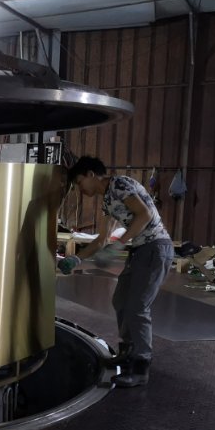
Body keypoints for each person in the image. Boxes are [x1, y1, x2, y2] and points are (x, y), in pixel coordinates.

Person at [58, 156, 174, 388]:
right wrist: (76, 258)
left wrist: (119, 244)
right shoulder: (108, 200)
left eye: (80, 182)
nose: (80, 189)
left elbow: (145, 214)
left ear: (91, 175)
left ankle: (141, 367)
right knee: (120, 300)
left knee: (138, 307)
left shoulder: (120, 185)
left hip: (155, 248)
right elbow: (101, 240)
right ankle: (128, 351)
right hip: (140, 251)